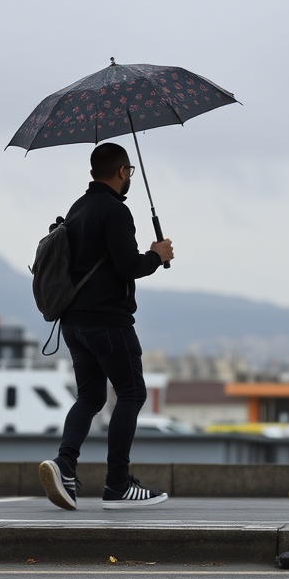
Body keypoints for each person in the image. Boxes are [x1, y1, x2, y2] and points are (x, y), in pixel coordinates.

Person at [38, 142, 174, 510]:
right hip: (108, 322)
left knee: (91, 397)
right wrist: (157, 255)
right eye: (128, 171)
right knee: (131, 394)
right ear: (121, 172)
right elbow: (127, 265)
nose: (129, 177)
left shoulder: (78, 209)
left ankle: (65, 463)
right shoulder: (114, 211)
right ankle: (117, 485)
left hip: (74, 324)